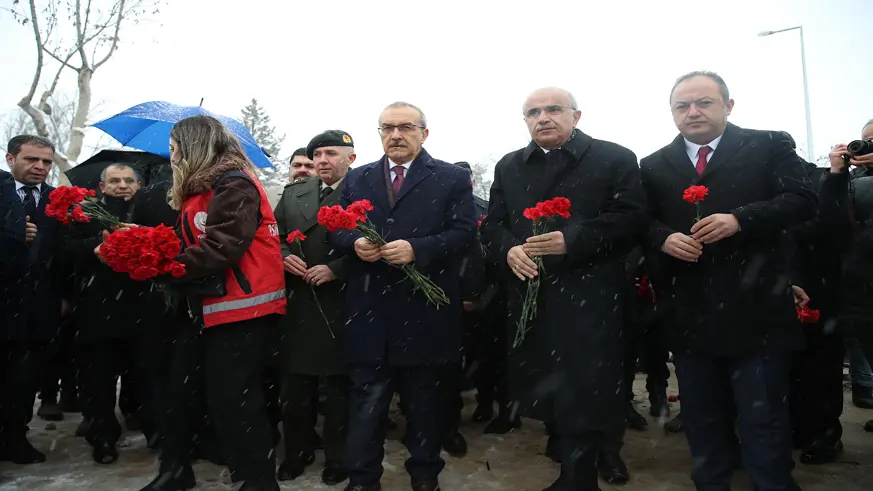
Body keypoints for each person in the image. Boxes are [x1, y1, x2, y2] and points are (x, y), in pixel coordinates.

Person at [640, 71, 817, 491]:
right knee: (703, 419)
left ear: (728, 106)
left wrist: (741, 219)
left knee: (764, 419)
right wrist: (664, 239)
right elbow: (640, 221)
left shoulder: (769, 144)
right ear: (672, 113)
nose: (693, 112)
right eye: (682, 106)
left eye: (704, 102)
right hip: (690, 313)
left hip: (757, 310)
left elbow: (802, 199)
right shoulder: (652, 164)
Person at [481, 87, 647, 491]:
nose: (543, 118)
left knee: (587, 386)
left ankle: (582, 474)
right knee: (549, 384)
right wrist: (508, 251)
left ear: (576, 115)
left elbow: (630, 219)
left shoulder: (614, 158)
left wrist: (573, 240)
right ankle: (575, 458)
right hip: (531, 294)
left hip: (590, 294)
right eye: (533, 112)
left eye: (553, 109)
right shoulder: (509, 166)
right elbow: (493, 224)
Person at [128, 115, 286, 491]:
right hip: (205, 305)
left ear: (193, 146)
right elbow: (190, 241)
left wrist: (162, 267)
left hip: (242, 307)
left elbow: (222, 247)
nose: (171, 156)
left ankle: (258, 482)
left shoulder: (234, 184)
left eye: (174, 148)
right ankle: (177, 468)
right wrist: (142, 244)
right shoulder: (199, 189)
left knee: (236, 402)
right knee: (181, 392)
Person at [330, 102, 476, 491]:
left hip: (424, 313)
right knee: (366, 404)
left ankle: (425, 475)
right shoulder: (357, 178)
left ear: (424, 133)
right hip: (369, 313)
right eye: (387, 128)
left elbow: (464, 233)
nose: (396, 135)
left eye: (406, 127)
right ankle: (362, 479)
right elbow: (337, 229)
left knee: (425, 405)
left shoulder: (451, 178)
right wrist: (355, 241)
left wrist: (418, 249)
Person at [59, 163, 158, 464]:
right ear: (102, 187)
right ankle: (102, 437)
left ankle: (146, 423)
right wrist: (97, 247)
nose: (122, 186)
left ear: (138, 185)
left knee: (143, 374)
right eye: (114, 181)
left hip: (141, 310)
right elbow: (64, 250)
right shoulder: (84, 213)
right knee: (98, 381)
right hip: (97, 311)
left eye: (129, 180)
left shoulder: (148, 214)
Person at [274, 130, 356, 485]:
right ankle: (297, 450)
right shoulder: (294, 194)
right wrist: (284, 255)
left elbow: (379, 245)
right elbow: (270, 236)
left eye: (331, 153)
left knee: (339, 388)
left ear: (350, 158)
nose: (322, 160)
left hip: (345, 302)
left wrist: (337, 269)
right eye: (317, 153)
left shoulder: (366, 191)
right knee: (296, 387)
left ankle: (338, 456)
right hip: (300, 301)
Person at [0, 135, 68, 465]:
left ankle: (15, 436)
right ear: (11, 158)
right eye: (31, 160)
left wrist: (66, 296)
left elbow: (66, 253)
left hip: (40, 304)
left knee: (24, 378)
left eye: (46, 162)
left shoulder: (59, 201)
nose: (40, 167)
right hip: (2, 299)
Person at [823, 118, 873, 434]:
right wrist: (837, 175)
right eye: (865, 140)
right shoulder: (855, 182)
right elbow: (830, 219)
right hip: (862, 286)